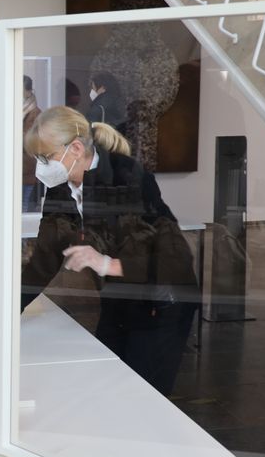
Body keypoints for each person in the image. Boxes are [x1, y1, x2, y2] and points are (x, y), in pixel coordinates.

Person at [21, 106, 197, 396]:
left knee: (144, 396)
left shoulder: (126, 176)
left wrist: (107, 264)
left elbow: (173, 257)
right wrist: (4, 309)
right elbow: (45, 258)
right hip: (118, 298)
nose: (41, 167)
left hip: (162, 302)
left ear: (75, 148)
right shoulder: (60, 188)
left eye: (46, 157)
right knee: (106, 384)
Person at [0, 75, 42, 211]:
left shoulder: (35, 114)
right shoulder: (6, 110)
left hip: (25, 174)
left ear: (29, 92)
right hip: (5, 172)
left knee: (21, 214)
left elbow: (31, 143)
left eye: (19, 90)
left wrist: (7, 133)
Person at [85, 70, 129, 136]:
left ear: (103, 88)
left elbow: (90, 132)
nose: (92, 91)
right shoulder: (120, 103)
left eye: (93, 88)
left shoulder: (98, 107)